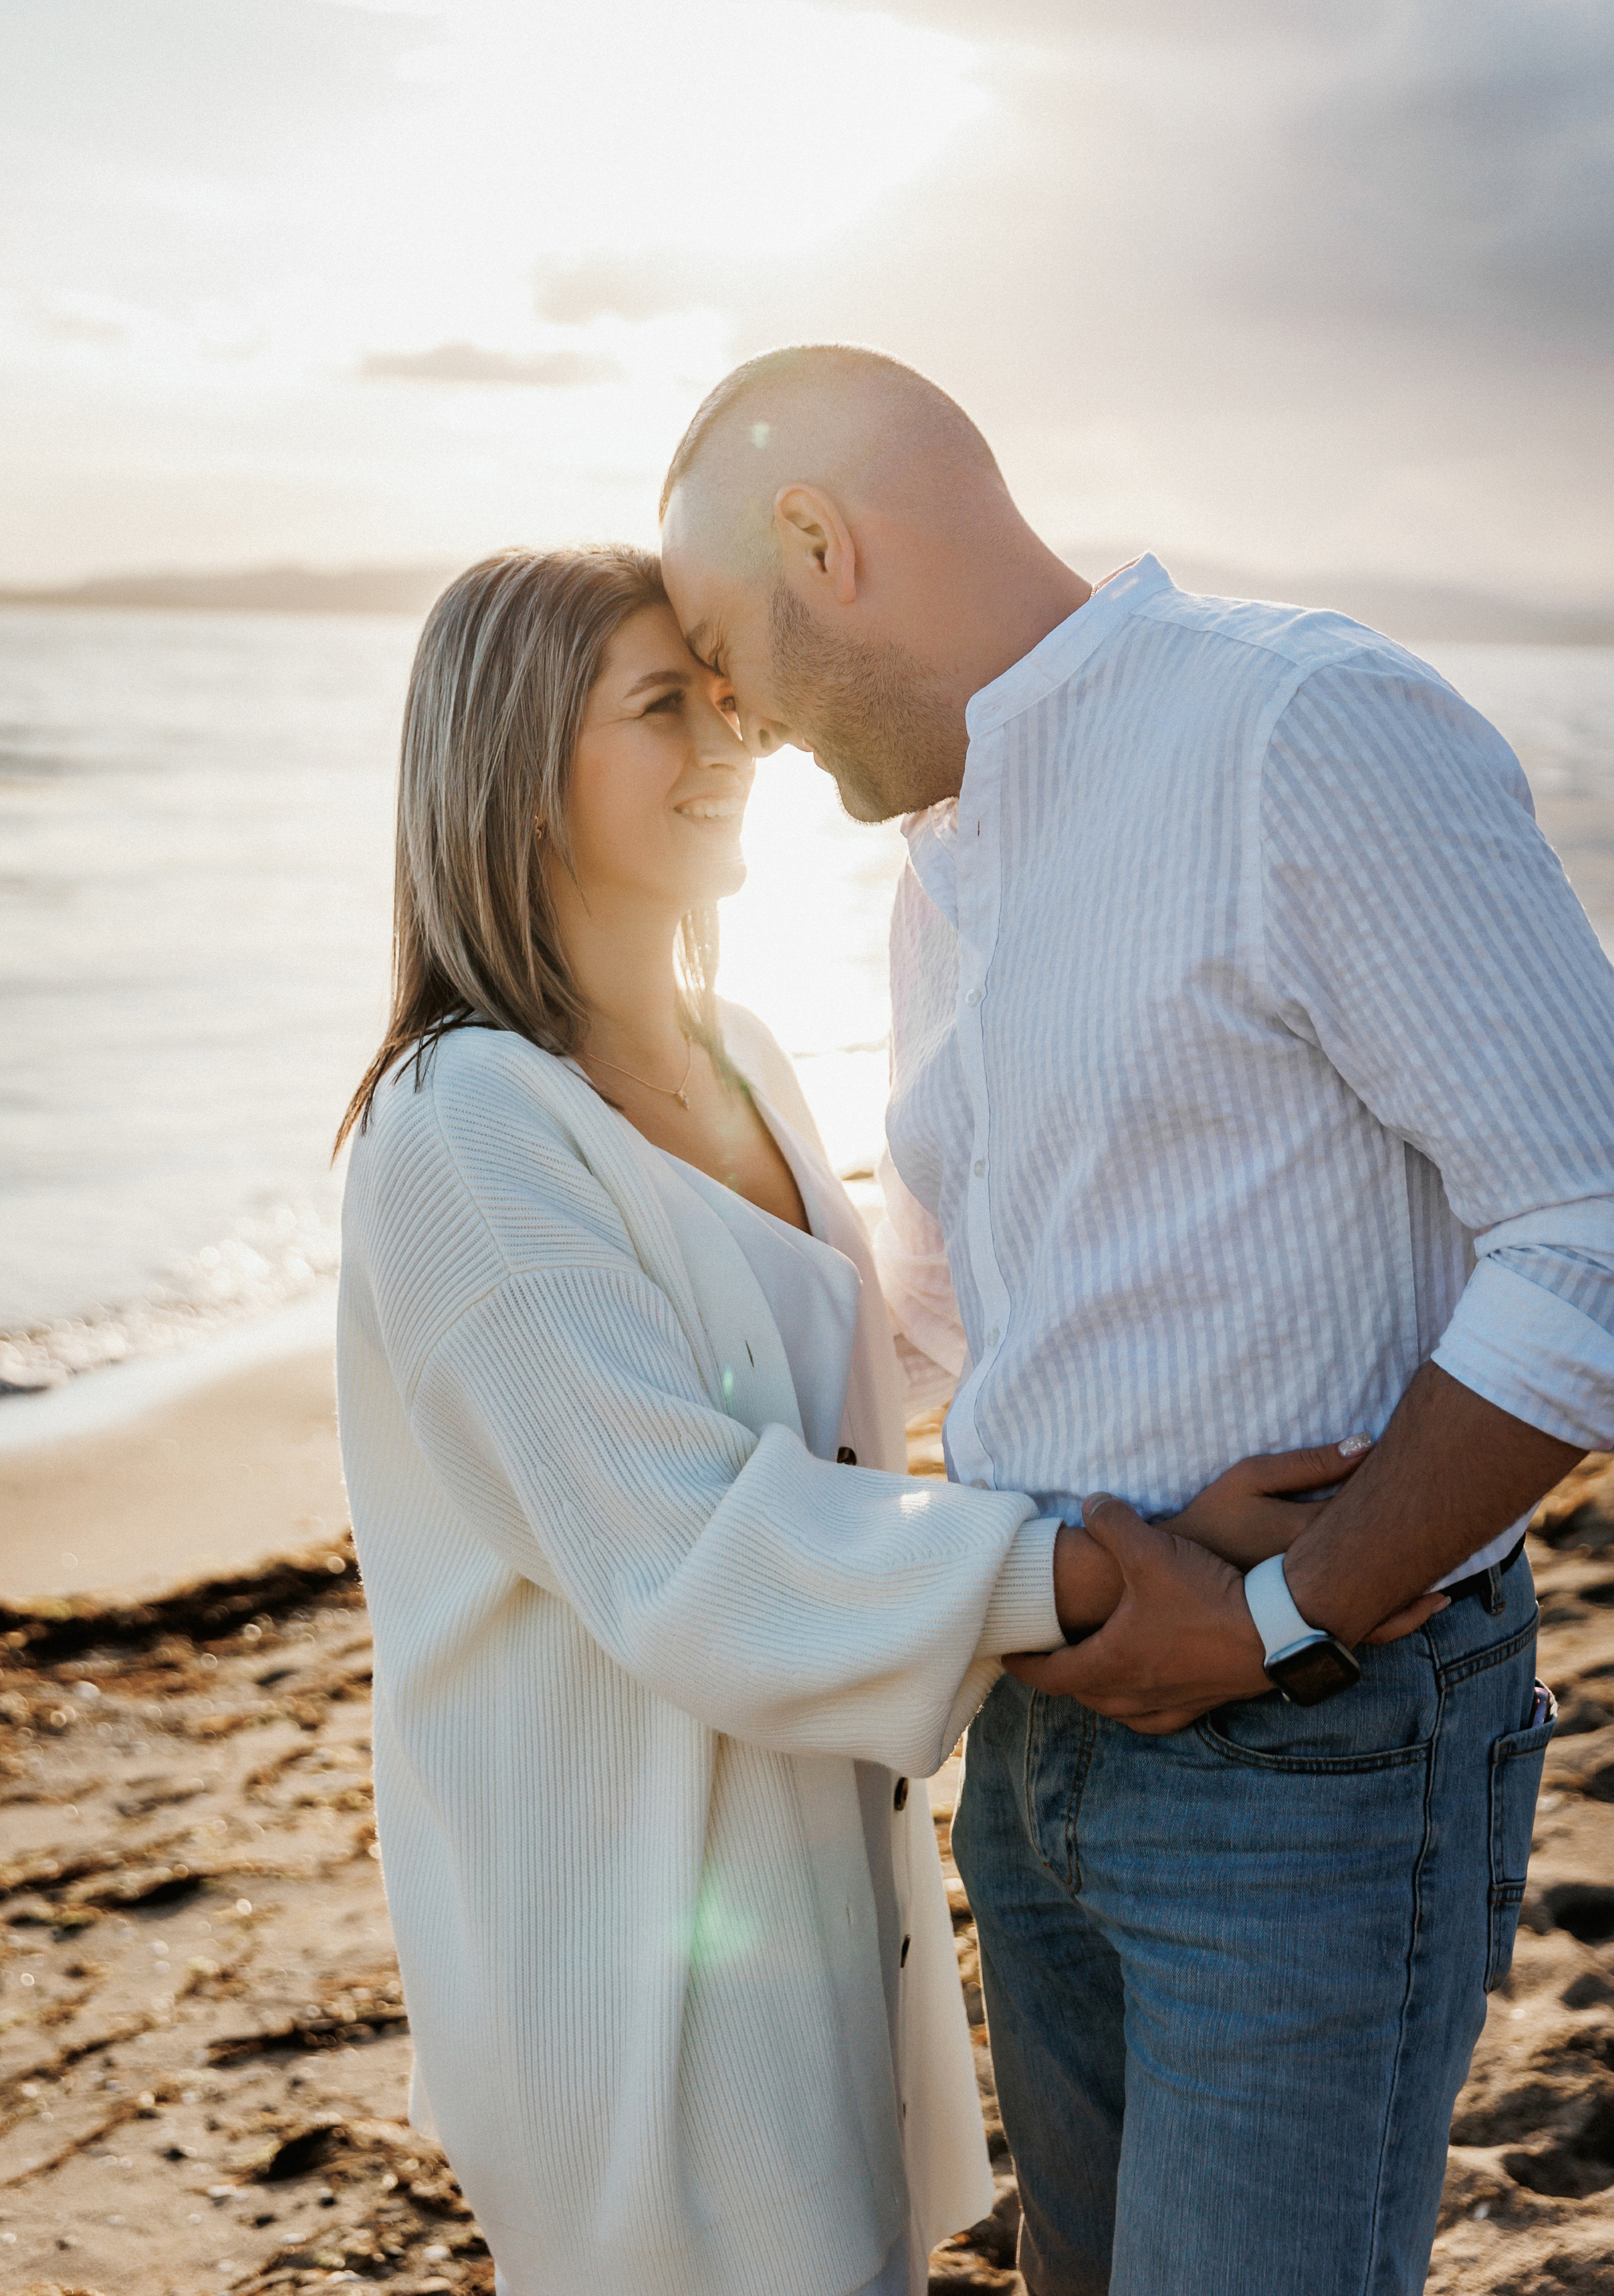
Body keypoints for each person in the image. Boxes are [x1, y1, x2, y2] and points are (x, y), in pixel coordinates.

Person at [657, 345, 1614, 2295]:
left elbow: (1589, 1229)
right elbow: (938, 1312)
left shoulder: (1300, 730)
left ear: (821, 542)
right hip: (1038, 1734)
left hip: (1320, 1751)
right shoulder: (941, 870)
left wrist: (1279, 1614)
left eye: (714, 642)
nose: (727, 718)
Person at [333, 545, 1393, 2296]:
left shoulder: (734, 1042)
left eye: (722, 693)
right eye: (659, 706)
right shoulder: (463, 1132)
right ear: (514, 764)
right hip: (623, 1925)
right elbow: (689, 1548)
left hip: (806, 1872)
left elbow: (842, 1369)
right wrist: (1095, 1574)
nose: (727, 738)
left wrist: (1172, 1395)